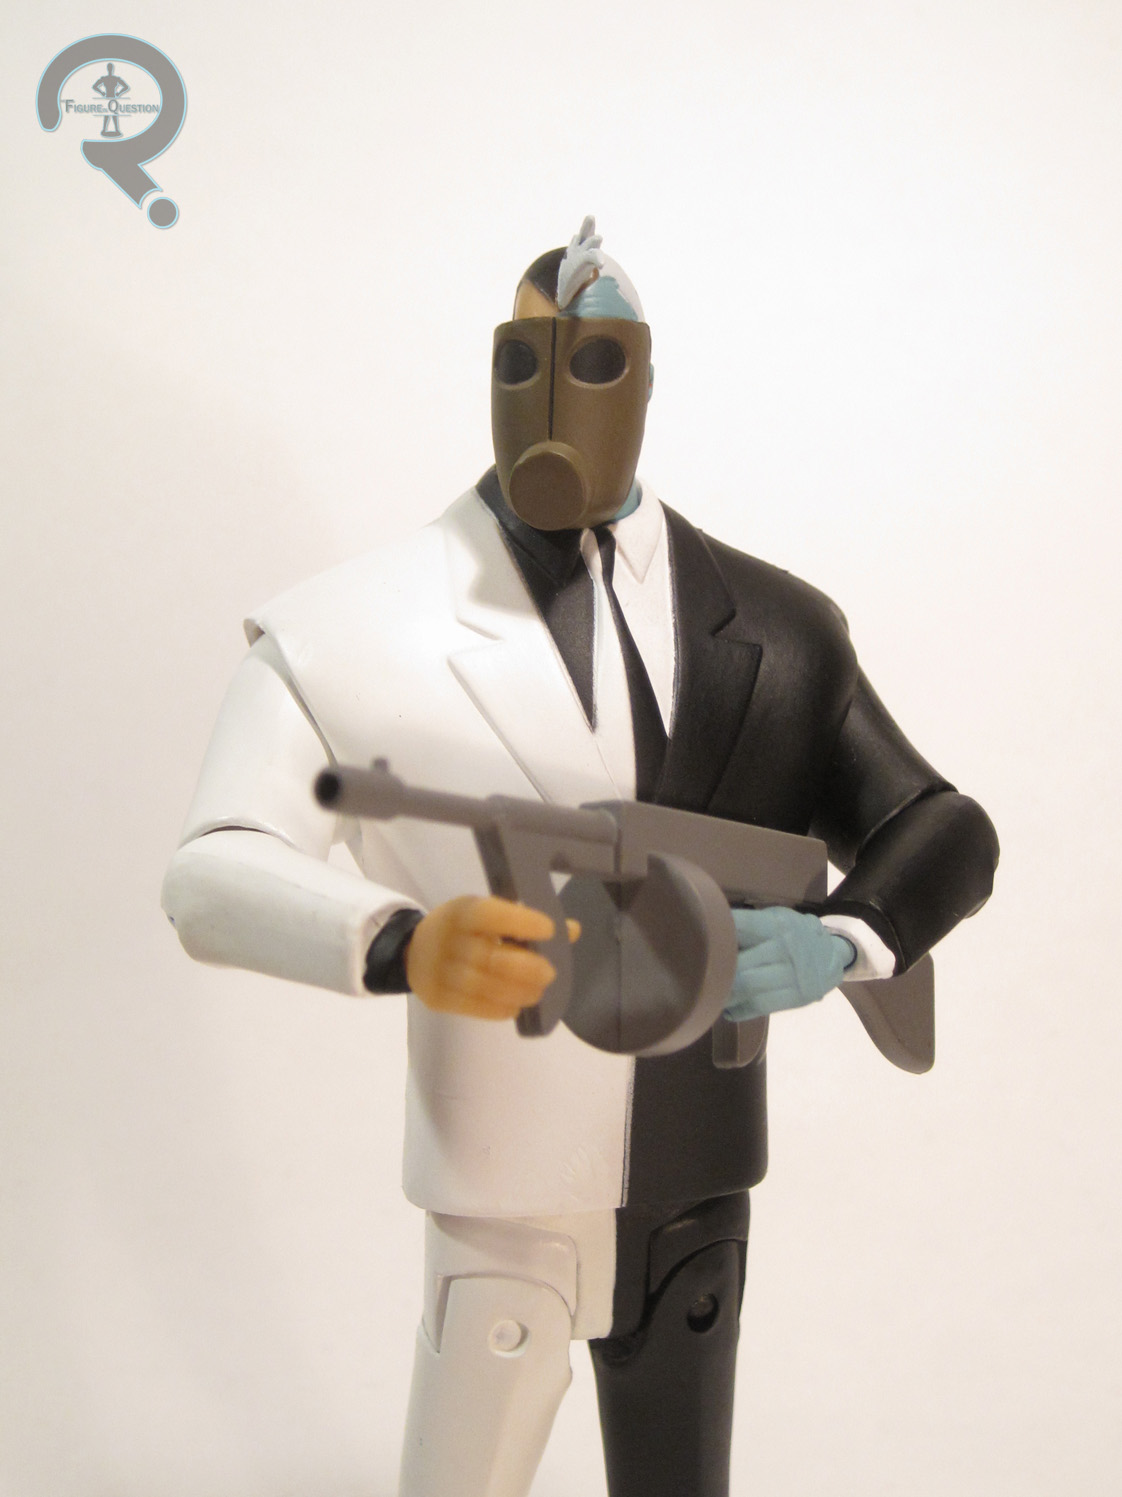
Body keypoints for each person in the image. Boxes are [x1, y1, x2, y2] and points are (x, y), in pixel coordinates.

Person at [163, 218, 998, 1497]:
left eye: (597, 365)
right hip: (504, 1170)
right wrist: (398, 943)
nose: (556, 397)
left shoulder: (780, 627)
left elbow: (939, 823)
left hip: (698, 1173)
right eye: (526, 362)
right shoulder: (346, 630)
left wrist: (848, 937)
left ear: (646, 380)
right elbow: (213, 868)